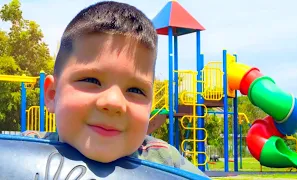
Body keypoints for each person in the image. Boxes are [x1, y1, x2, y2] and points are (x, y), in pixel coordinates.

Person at [21, 1, 208, 177]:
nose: (113, 102)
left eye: (135, 90)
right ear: (53, 94)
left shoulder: (166, 162)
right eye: (91, 79)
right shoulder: (22, 152)